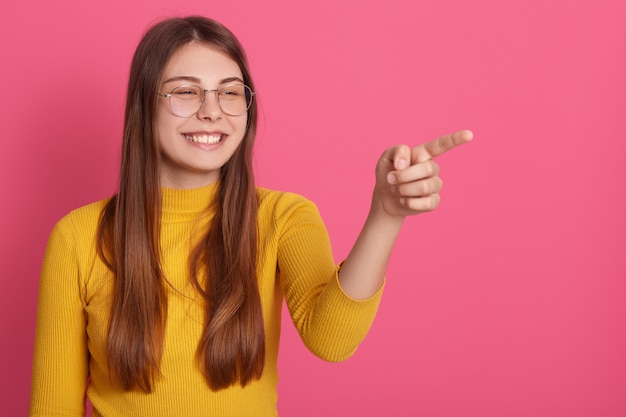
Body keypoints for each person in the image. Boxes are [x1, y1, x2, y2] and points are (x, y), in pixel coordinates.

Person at [29, 15, 472, 417]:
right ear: (144, 106)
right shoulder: (78, 237)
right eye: (186, 92)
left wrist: (386, 214)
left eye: (229, 92)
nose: (211, 110)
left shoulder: (282, 217)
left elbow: (331, 339)